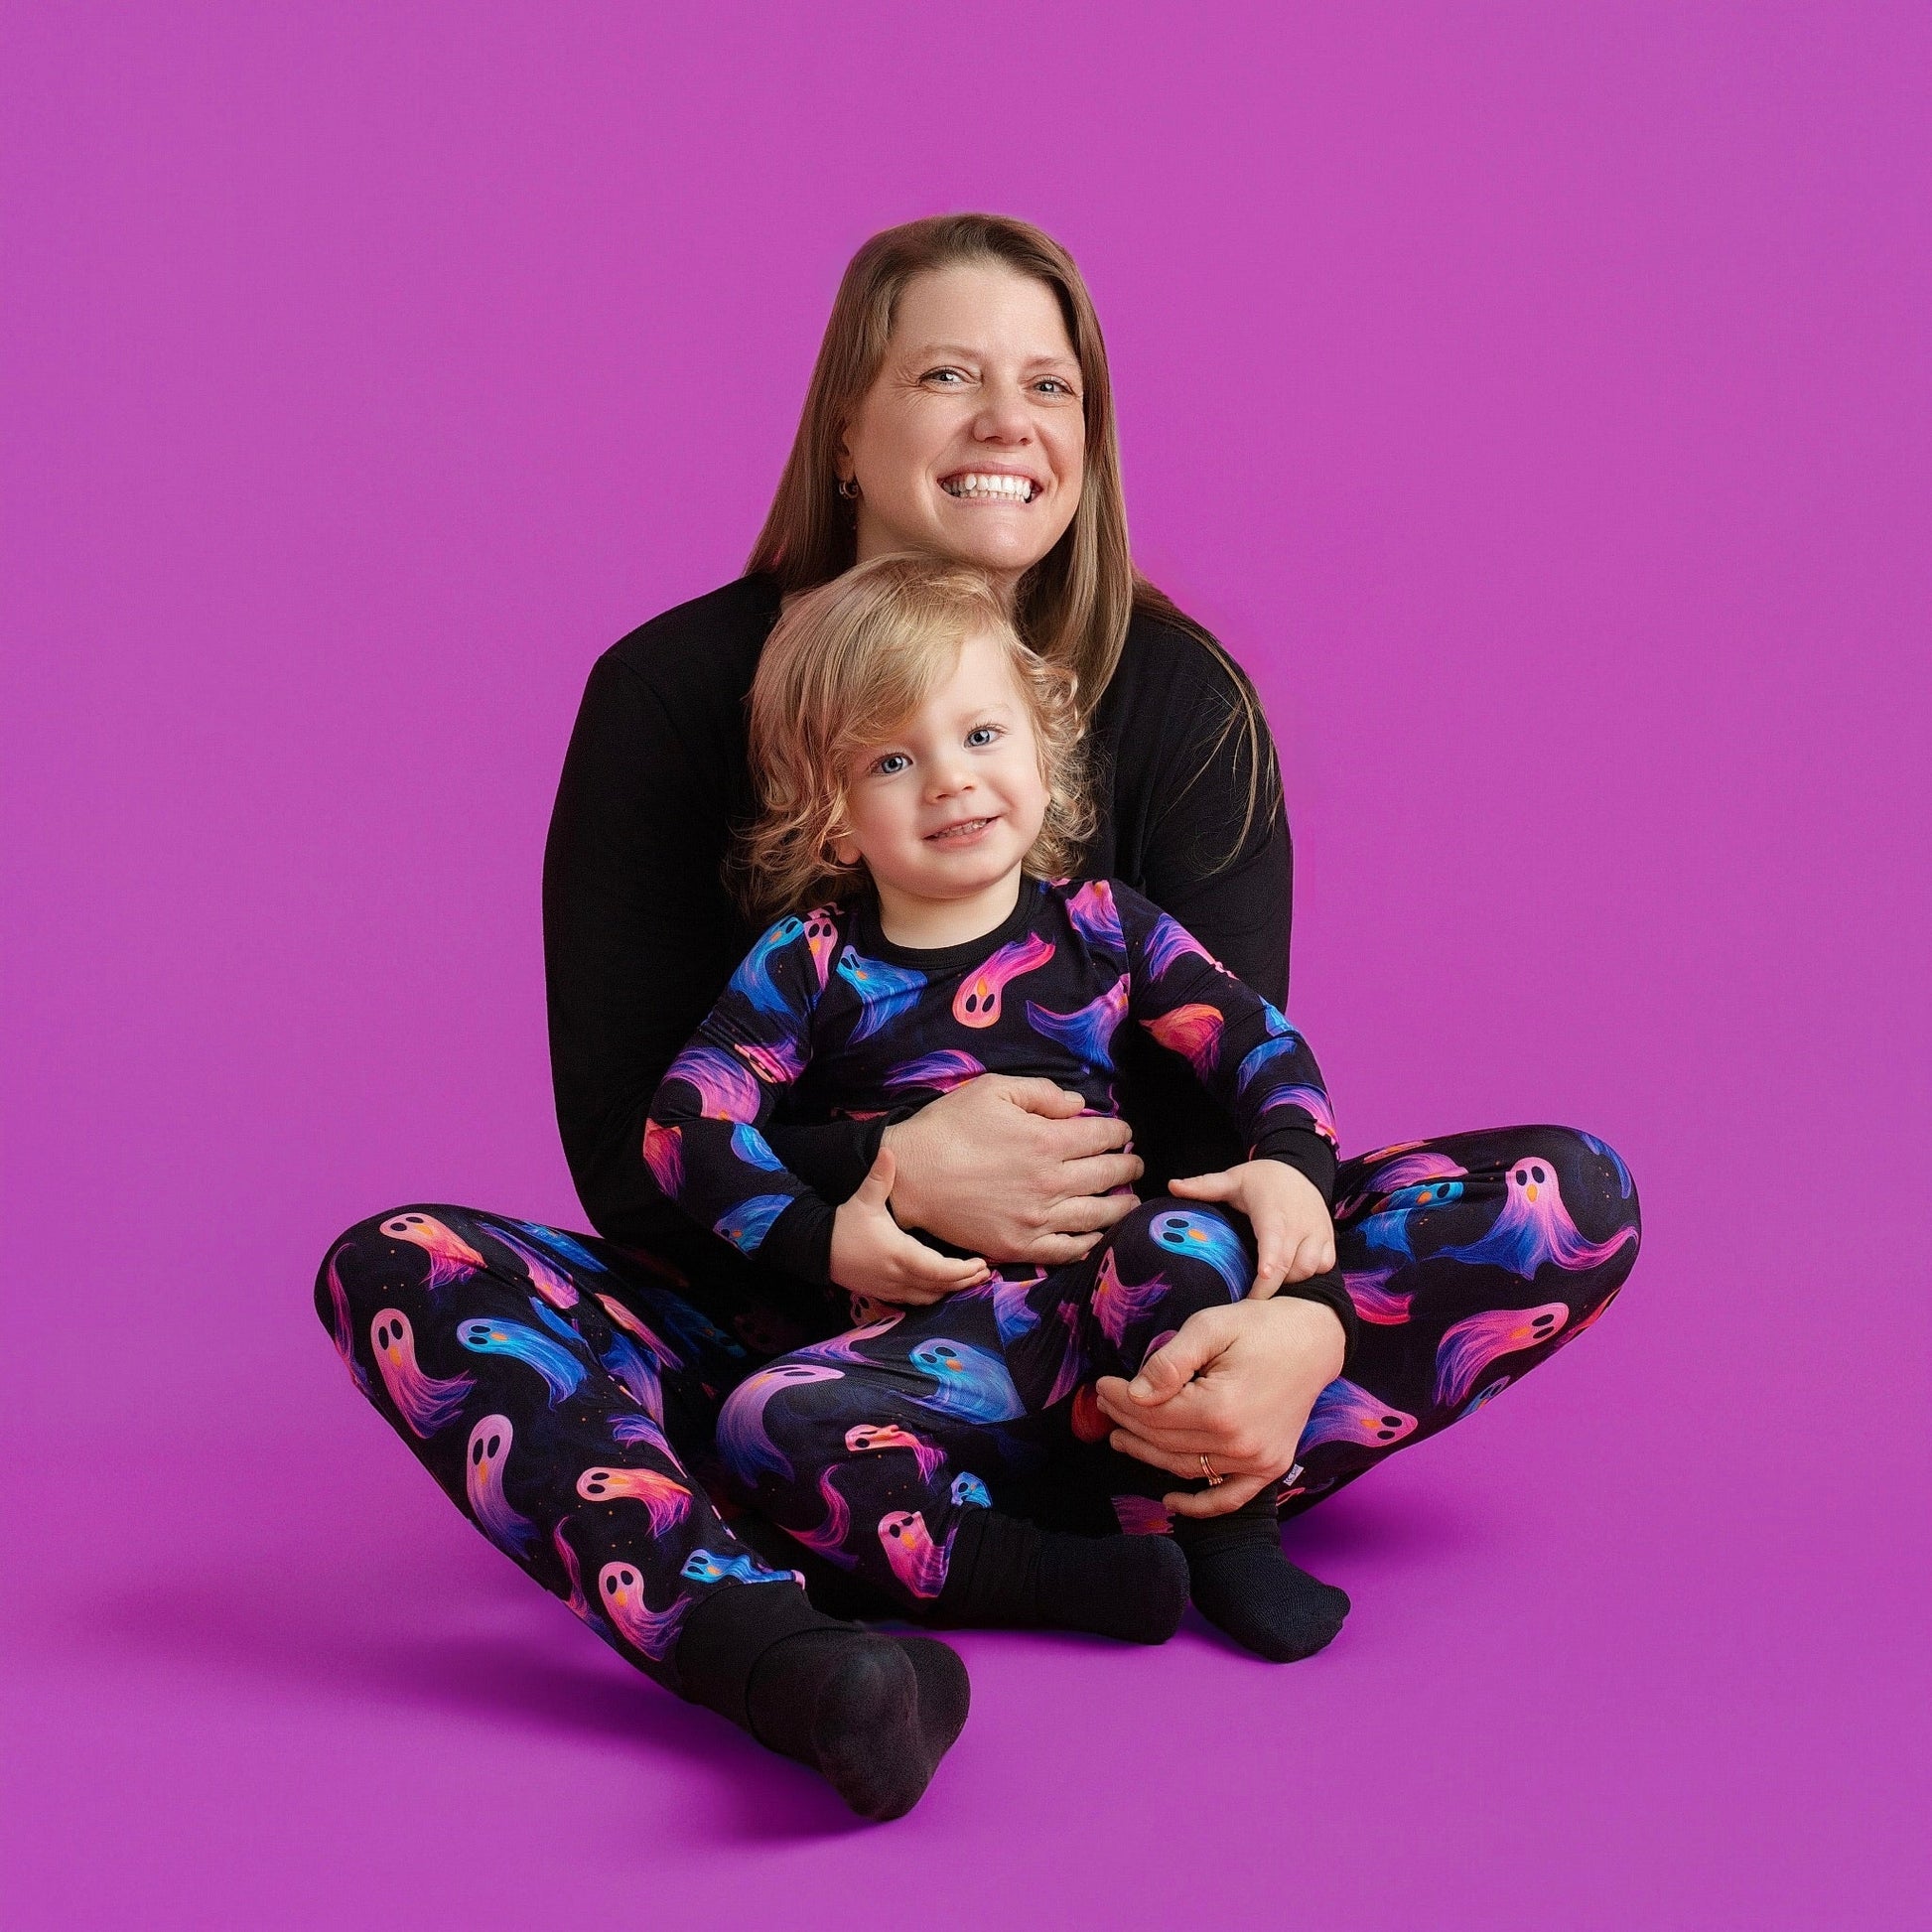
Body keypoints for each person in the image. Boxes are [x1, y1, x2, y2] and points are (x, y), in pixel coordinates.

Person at [316, 212, 1641, 1822]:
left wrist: (1306, 1328)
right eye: (949, 375)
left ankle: (1121, 1483)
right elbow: (634, 1150)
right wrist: (886, 1175)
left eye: (1050, 386)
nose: (1009, 422)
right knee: (402, 1270)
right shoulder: (669, 696)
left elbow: (1232, 1112)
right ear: (846, 432)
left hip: (1121, 1318)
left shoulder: (1183, 701)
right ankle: (788, 1654)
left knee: (1561, 1193)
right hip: (787, 1338)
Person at [649, 553, 1357, 1670]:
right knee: (760, 1423)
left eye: (981, 735)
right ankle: (1044, 1572)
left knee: (1190, 1240)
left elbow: (1255, 1041)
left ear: (1042, 748)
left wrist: (1289, 1162)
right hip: (929, 1343)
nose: (950, 781)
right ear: (834, 820)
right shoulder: (808, 962)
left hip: (1108, 1299)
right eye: (893, 760)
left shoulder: (1104, 925)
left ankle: (1225, 1532)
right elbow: (682, 1132)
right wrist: (826, 1237)